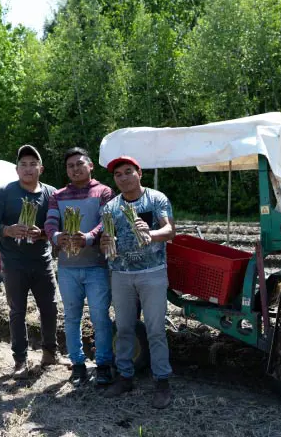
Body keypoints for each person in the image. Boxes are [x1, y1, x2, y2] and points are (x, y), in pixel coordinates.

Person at [100, 155, 175, 409]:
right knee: (123, 328)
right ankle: (125, 377)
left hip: (152, 272)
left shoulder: (156, 199)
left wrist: (150, 234)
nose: (123, 177)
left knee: (155, 330)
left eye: (128, 172)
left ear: (139, 173)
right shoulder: (110, 208)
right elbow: (107, 239)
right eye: (118, 174)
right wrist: (105, 244)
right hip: (121, 274)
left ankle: (162, 382)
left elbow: (169, 231)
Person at [0, 144, 67, 379]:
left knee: (50, 308)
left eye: (33, 164)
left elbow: (58, 227)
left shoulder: (52, 194)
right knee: (17, 312)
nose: (28, 168)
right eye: (23, 164)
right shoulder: (4, 192)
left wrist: (41, 233)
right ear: (16, 169)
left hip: (42, 261)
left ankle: (50, 353)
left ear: (41, 168)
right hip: (13, 264)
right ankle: (20, 360)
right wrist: (9, 230)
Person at [44, 147, 114, 386]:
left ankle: (103, 364)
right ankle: (78, 364)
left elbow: (107, 222)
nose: (75, 169)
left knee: (100, 317)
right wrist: (56, 237)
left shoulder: (104, 192)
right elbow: (51, 222)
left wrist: (89, 237)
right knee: (71, 317)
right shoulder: (58, 195)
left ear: (90, 165)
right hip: (68, 268)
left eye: (79, 164)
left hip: (96, 266)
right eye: (70, 166)